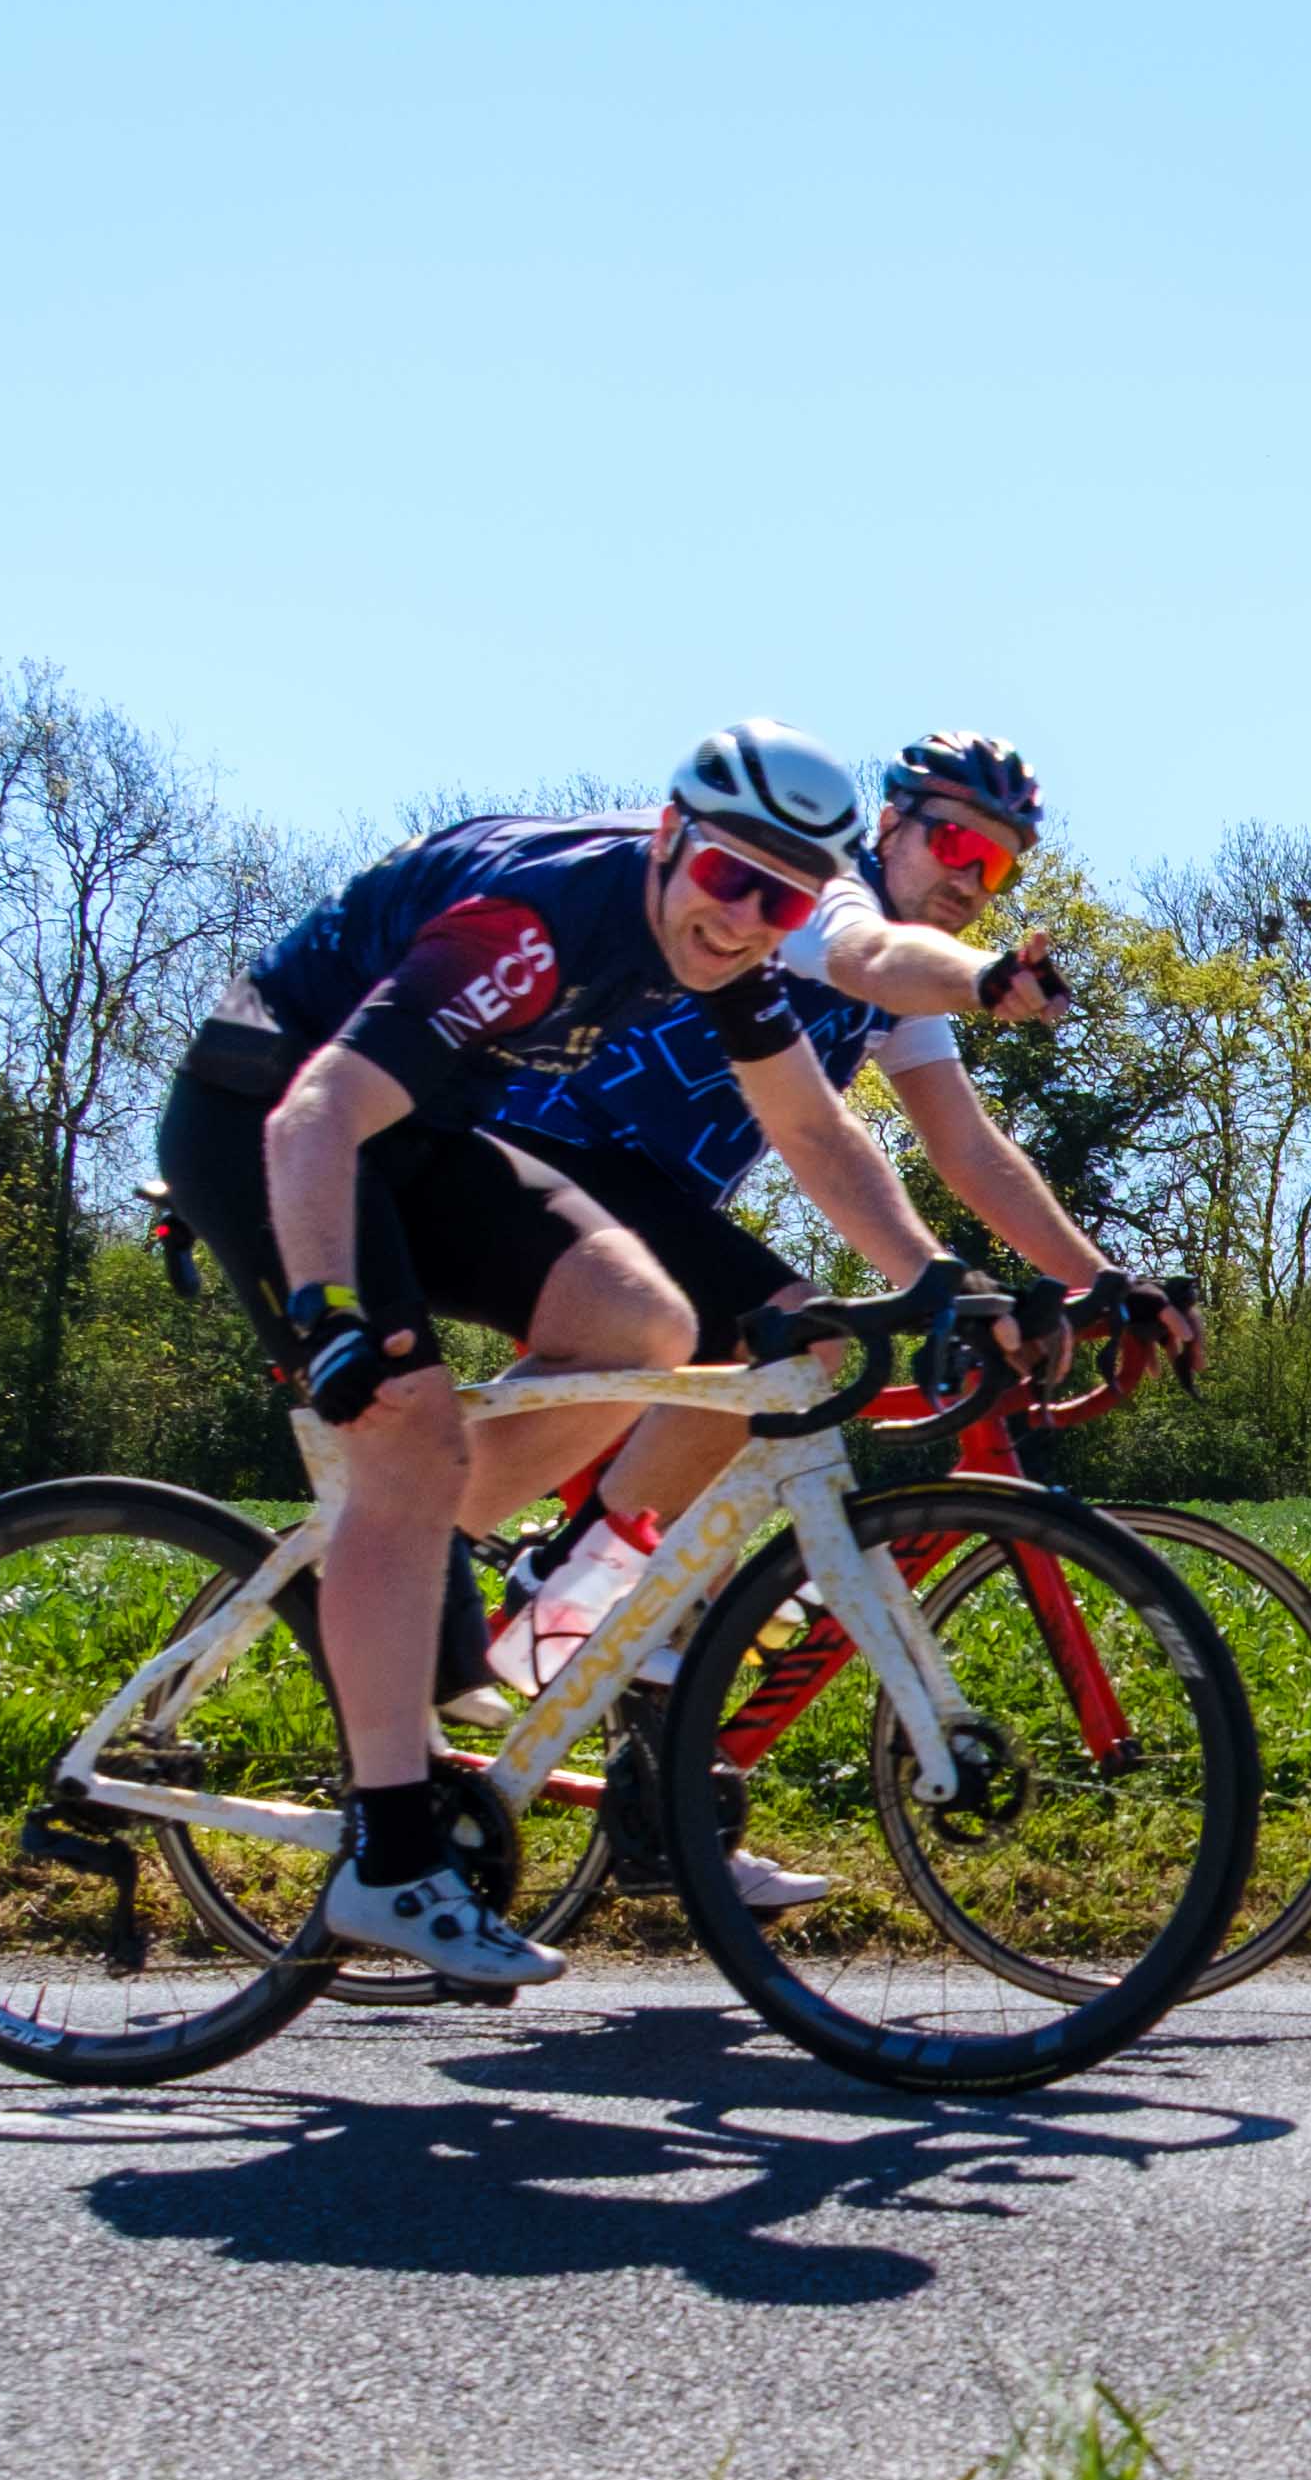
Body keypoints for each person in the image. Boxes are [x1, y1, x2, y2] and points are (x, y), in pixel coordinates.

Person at [152, 722, 965, 1993]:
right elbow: (316, 1113)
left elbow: (808, 1124)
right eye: (728, 877)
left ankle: (416, 1561)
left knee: (648, 1326)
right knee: (406, 1435)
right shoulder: (529, 926)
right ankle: (393, 1855)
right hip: (272, 1121)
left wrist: (928, 1279)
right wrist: (327, 1314)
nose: (748, 917)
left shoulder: (726, 949)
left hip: (414, 1132)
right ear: (667, 839)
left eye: (784, 897)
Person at [473, 727, 1199, 1735]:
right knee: (790, 1332)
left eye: (997, 866)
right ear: (891, 823)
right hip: (549, 1158)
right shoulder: (810, 896)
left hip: (655, 1213)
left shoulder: (898, 994)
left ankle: (669, 1822)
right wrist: (982, 974)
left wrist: (1106, 1279)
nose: (972, 879)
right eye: (956, 846)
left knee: (694, 1568)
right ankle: (555, 1601)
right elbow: (870, 955)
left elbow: (969, 1149)